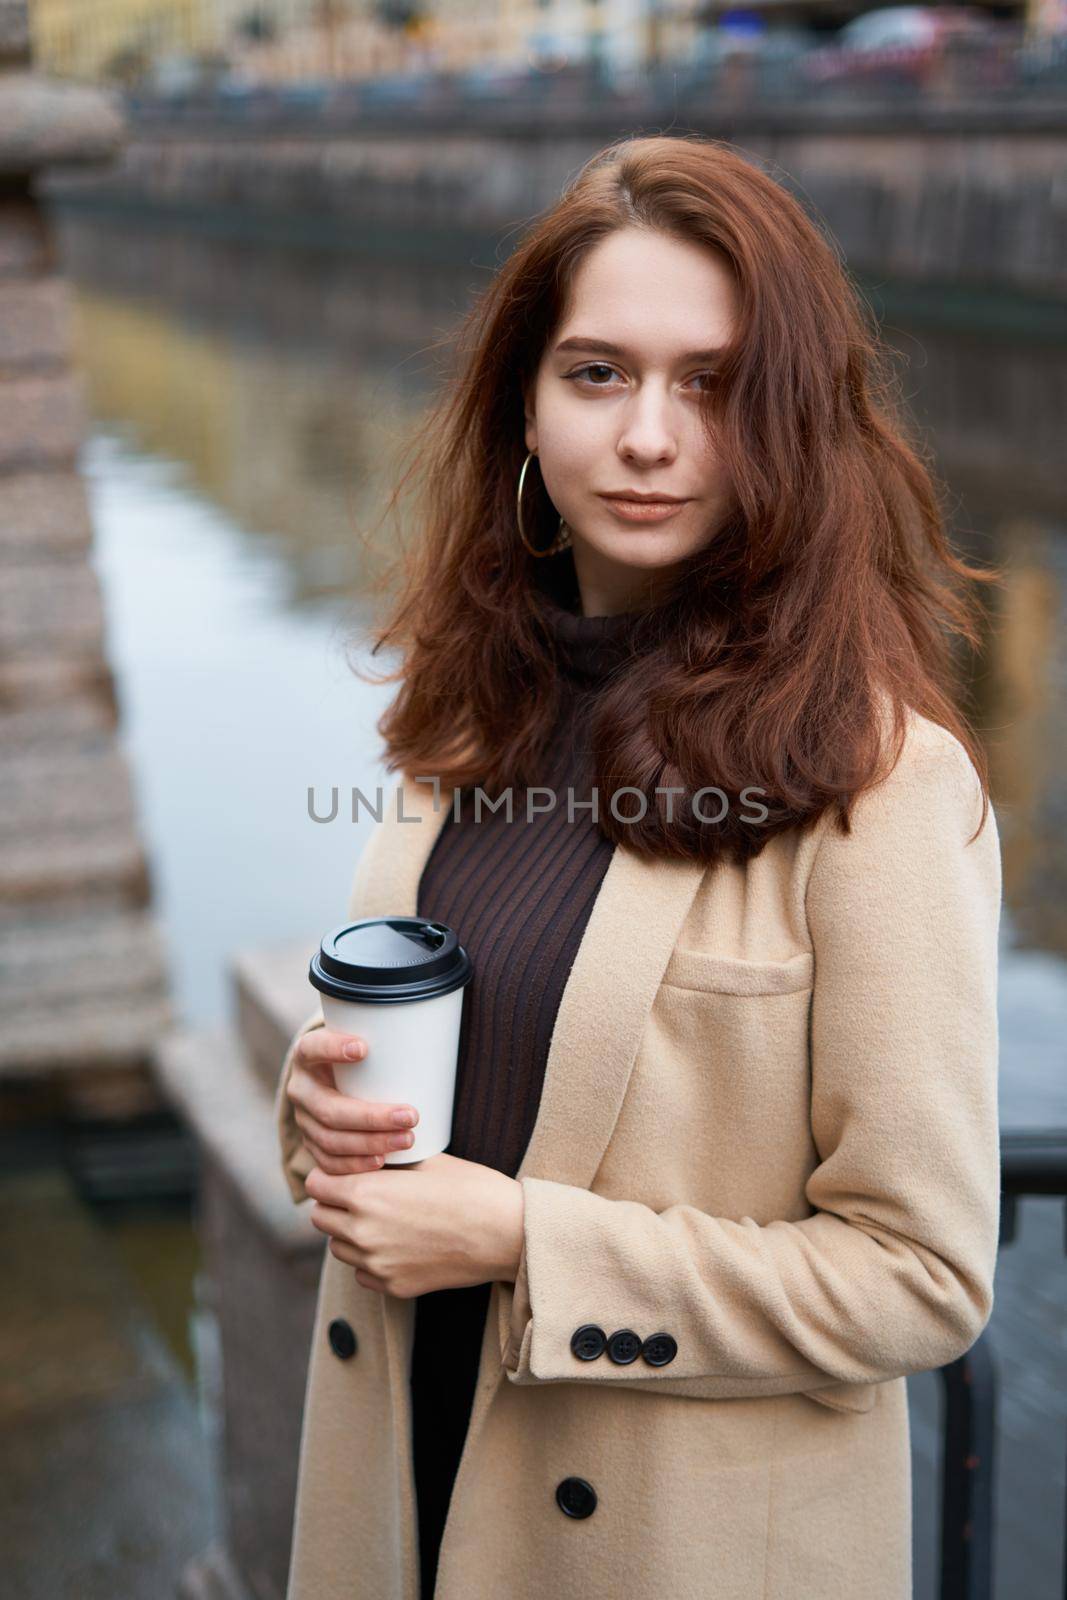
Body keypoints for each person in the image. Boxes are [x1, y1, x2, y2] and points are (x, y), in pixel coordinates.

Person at [274, 133, 1002, 1600]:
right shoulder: (473, 708)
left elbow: (921, 1278)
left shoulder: (882, 780)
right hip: (399, 1503)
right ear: (524, 410)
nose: (649, 437)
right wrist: (319, 1114)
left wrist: (529, 1243)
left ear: (794, 421)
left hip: (665, 1549)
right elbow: (479, 1052)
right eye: (598, 373)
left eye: (713, 384)